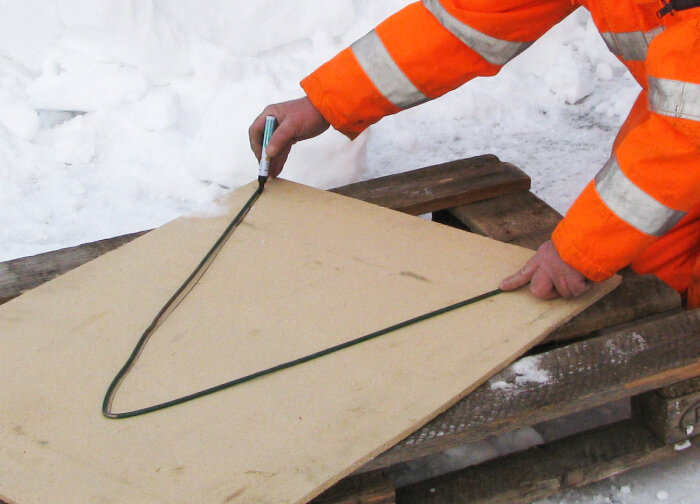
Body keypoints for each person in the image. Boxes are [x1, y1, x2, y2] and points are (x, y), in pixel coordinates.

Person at [249, 0, 700, 303]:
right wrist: (326, 101)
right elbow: (466, 24)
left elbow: (685, 140)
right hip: (685, 109)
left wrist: (579, 249)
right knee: (657, 262)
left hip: (689, 121)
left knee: (640, 249)